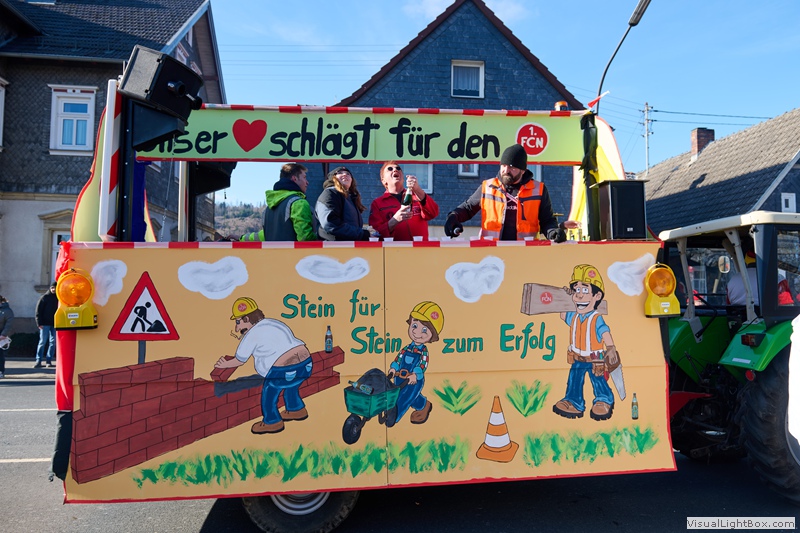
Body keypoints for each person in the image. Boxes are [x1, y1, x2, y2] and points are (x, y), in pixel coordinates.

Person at [213, 297, 313, 435]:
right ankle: (296, 409)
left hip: (283, 369)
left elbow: (239, 360)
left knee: (269, 393)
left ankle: (272, 422)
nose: (237, 329)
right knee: (292, 385)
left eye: (238, 322)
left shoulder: (251, 334)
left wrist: (224, 364)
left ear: (247, 319)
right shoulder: (273, 323)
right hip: (306, 364)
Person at [443, 144, 577, 241]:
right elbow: (467, 208)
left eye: (512, 167)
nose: (506, 170)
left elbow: (547, 220)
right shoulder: (488, 187)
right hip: (491, 253)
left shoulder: (539, 189)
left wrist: (553, 231)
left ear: (523, 170)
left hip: (525, 253)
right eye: (504, 165)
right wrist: (453, 217)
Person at [553, 265, 620, 421]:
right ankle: (573, 401)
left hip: (595, 358)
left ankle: (604, 399)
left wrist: (611, 347)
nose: (579, 295)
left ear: (597, 296)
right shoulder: (574, 316)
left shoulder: (596, 318)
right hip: (577, 357)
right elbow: (563, 315)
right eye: (577, 290)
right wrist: (565, 297)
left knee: (598, 380)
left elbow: (604, 331)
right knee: (574, 379)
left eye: (584, 290)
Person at [386, 301, 444, 427]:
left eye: (424, 330)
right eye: (414, 326)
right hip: (399, 378)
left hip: (414, 381)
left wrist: (415, 375)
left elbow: (422, 365)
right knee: (407, 396)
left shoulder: (423, 351)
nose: (417, 333)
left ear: (432, 335)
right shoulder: (406, 348)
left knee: (404, 399)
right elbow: (398, 359)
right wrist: (393, 368)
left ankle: (393, 418)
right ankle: (424, 405)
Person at [240, 163, 316, 242]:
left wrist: (242, 238)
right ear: (294, 178)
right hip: (293, 250)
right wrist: (319, 237)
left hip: (271, 250)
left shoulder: (269, 208)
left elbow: (264, 235)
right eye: (304, 177)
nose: (307, 182)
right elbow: (305, 237)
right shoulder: (299, 203)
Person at [368, 162, 439, 241]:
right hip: (395, 248)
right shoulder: (378, 203)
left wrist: (417, 189)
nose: (395, 170)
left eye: (398, 168)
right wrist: (394, 220)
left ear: (403, 178)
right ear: (383, 180)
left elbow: (433, 213)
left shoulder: (416, 196)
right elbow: (375, 234)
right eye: (390, 169)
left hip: (420, 247)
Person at [316, 166, 370, 241]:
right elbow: (330, 223)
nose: (345, 174)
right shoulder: (330, 194)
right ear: (333, 178)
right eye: (340, 173)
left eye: (348, 174)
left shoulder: (350, 198)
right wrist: (362, 234)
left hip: (347, 244)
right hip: (333, 244)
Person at [34, 282, 58, 368]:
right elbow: (38, 311)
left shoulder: (58, 298)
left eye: (55, 288)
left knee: (53, 343)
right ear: (50, 288)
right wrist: (39, 323)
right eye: (52, 288)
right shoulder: (44, 297)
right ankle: (38, 361)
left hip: (54, 324)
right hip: (44, 324)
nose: (53, 289)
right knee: (42, 342)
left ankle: (49, 361)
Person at [0, 295, 14, 379]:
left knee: (0, 354)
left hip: (1, 335)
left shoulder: (7, 311)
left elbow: (9, 324)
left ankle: (1, 371)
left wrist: (3, 334)